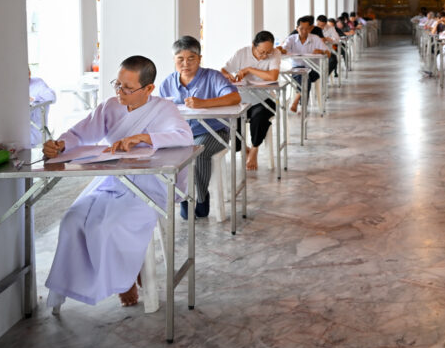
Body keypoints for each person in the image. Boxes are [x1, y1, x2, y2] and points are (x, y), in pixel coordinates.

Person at [41, 56, 193, 310]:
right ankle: (99, 280)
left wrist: (143, 137)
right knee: (72, 221)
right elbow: (80, 133)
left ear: (149, 88)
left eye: (127, 88)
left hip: (148, 186)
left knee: (107, 225)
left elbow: (184, 136)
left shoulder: (164, 109)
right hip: (112, 181)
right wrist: (60, 144)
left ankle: (125, 279)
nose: (120, 92)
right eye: (117, 84)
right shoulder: (110, 107)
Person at [158, 36, 241, 219]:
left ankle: (200, 198)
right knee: (166, 155)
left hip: (214, 132)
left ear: (199, 59)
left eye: (191, 58)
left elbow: (235, 98)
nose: (185, 63)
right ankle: (182, 197)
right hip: (180, 135)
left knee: (197, 152)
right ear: (174, 60)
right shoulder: (168, 83)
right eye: (180, 59)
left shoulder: (213, 77)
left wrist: (204, 103)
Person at [221, 31, 282, 171]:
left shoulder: (275, 53)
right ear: (253, 46)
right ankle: (243, 148)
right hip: (242, 99)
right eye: (262, 52)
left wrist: (249, 69)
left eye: (268, 52)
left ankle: (254, 149)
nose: (265, 56)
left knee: (259, 117)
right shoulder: (242, 53)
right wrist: (228, 76)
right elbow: (224, 70)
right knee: (230, 120)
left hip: (265, 98)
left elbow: (273, 76)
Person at [279, 16, 328, 113]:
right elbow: (284, 49)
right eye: (301, 28)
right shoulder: (291, 39)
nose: (304, 31)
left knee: (306, 75)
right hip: (296, 70)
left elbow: (328, 53)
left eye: (306, 29)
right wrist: (281, 50)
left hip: (314, 70)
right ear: (297, 28)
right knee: (304, 76)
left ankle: (297, 100)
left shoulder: (315, 38)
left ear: (310, 28)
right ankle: (302, 105)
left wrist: (322, 52)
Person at [29, 69, 56, 145]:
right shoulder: (13, 85)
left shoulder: (37, 82)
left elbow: (52, 97)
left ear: (29, 73)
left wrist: (33, 98)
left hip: (34, 130)